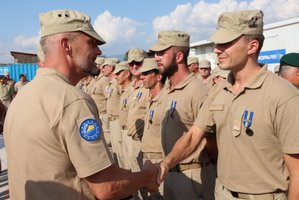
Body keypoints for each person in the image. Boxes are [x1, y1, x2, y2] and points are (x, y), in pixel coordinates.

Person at [4, 9, 158, 200]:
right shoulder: (72, 100)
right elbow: (106, 187)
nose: (98, 51)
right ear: (66, 45)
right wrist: (147, 176)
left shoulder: (24, 95)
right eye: (91, 43)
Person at [158, 10, 299, 200]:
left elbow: (297, 172)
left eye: (226, 43)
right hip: (222, 192)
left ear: (252, 46)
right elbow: (193, 136)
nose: (217, 49)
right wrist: (166, 163)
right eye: (217, 43)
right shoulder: (219, 90)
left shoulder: (283, 95)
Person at [150, 30, 216, 200]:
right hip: (170, 174)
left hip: (193, 177)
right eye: (156, 53)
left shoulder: (197, 92)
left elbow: (212, 141)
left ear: (179, 57)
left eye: (162, 53)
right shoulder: (168, 89)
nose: (157, 57)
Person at [139, 58, 167, 200]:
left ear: (158, 76)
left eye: (146, 73)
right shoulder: (151, 99)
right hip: (148, 157)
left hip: (159, 160)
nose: (141, 77)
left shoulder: (165, 100)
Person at [113, 61, 133, 171]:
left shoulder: (133, 91)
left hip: (131, 132)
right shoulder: (124, 91)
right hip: (123, 130)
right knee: (126, 165)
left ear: (127, 74)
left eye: (118, 74)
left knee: (134, 164)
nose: (115, 77)